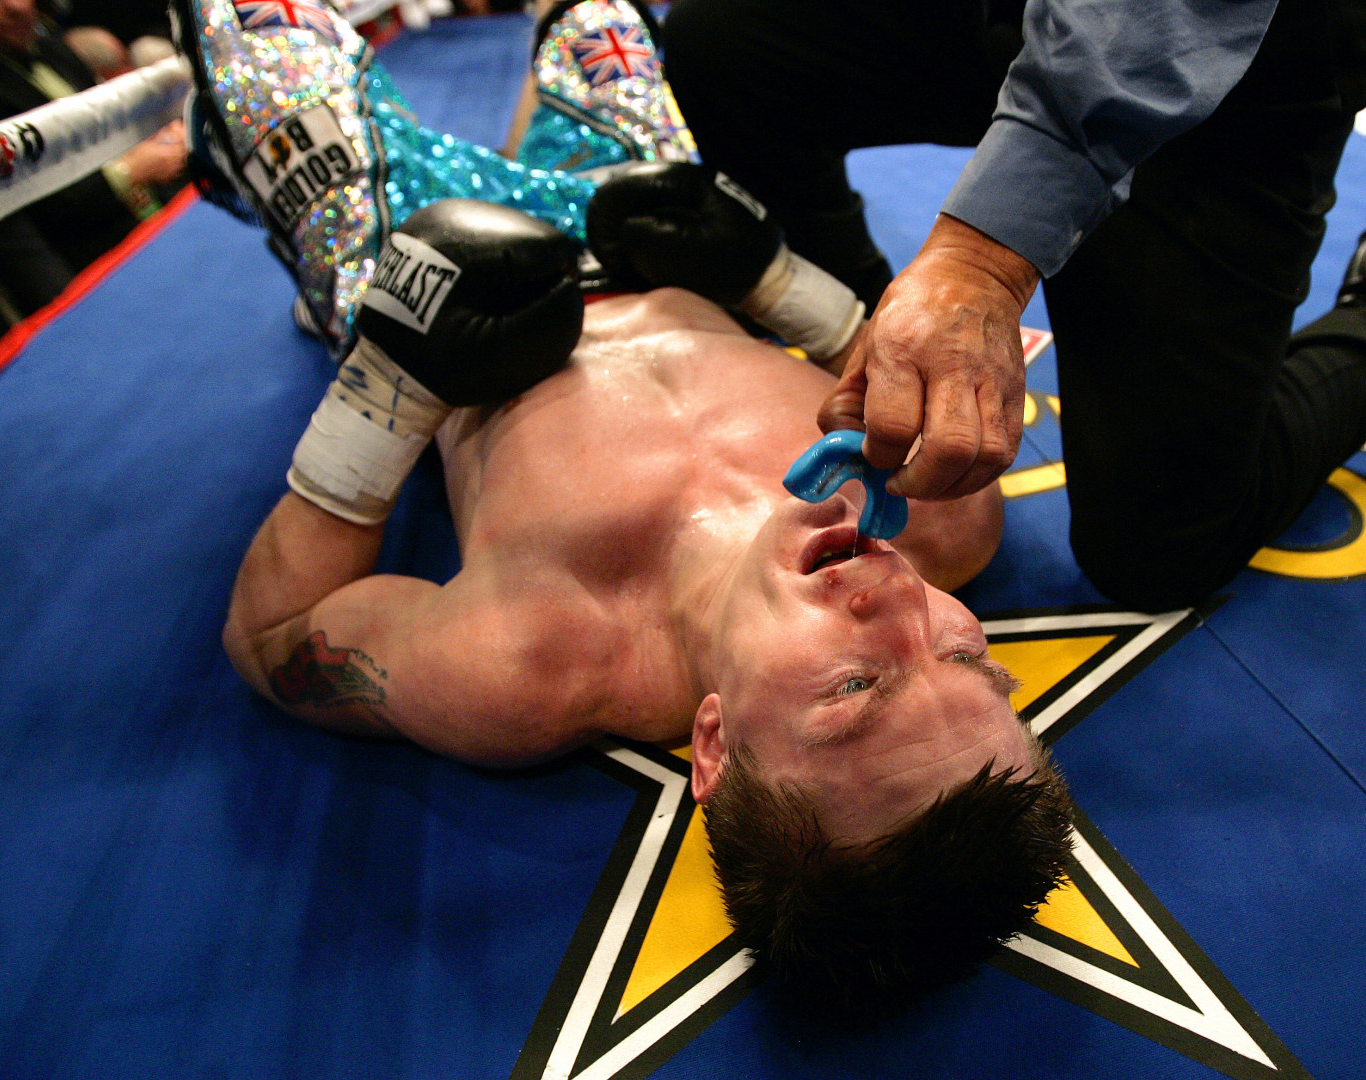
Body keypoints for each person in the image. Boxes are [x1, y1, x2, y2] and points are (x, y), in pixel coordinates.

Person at [181, 0, 1075, 1012]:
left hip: (411, 260)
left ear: (716, 745)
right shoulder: (948, 517)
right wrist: (771, 280)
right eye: (967, 659)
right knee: (597, 8)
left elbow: (272, 636)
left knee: (249, 26)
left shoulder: (534, 662)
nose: (905, 606)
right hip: (644, 228)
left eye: (858, 687)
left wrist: (391, 379)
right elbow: (862, 354)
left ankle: (224, 155)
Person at [663, 0, 1366, 612]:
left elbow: (1156, 28)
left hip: (1241, 35)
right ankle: (880, 379)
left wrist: (981, 262)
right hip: (1016, 8)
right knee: (726, 44)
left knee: (1158, 549)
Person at [0, 0, 187, 314]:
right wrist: (124, 173)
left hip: (159, 218)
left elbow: (111, 120)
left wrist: (165, 132)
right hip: (97, 265)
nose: (15, 7)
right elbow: (20, 224)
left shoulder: (47, 42)